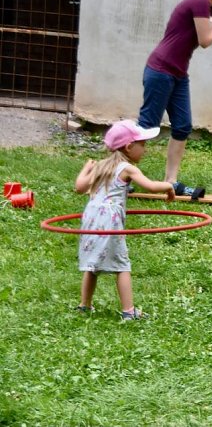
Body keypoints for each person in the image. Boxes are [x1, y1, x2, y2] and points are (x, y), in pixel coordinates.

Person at [138, 0, 212, 199]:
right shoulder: (199, 1)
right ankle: (117, 175)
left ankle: (171, 181)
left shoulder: (202, 3)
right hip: (161, 70)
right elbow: (205, 40)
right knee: (147, 126)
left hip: (178, 73)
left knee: (182, 126)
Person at [74, 120, 176, 320]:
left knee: (92, 265)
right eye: (143, 145)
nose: (145, 150)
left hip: (91, 219)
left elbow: (79, 187)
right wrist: (169, 187)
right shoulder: (127, 168)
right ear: (129, 147)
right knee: (122, 265)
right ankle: (129, 311)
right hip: (109, 221)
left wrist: (86, 168)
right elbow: (151, 186)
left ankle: (84, 305)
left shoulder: (101, 166)